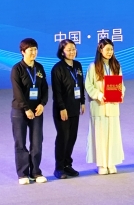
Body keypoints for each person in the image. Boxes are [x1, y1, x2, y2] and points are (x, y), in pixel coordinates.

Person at [10, 38, 49, 184]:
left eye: (35, 49)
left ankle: (35, 172)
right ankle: (22, 174)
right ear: (23, 52)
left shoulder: (39, 68)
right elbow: (17, 92)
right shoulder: (17, 69)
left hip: (37, 111)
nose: (34, 52)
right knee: (20, 142)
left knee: (37, 142)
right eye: (30, 50)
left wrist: (42, 104)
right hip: (20, 111)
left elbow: (44, 88)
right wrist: (26, 108)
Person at [85, 38, 125, 174]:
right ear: (100, 50)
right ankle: (102, 164)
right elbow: (88, 85)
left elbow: (121, 84)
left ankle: (111, 162)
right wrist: (98, 95)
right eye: (107, 49)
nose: (109, 52)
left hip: (113, 105)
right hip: (99, 105)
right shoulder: (93, 66)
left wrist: (121, 94)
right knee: (100, 135)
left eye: (111, 49)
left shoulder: (116, 65)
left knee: (113, 134)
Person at [51, 39, 86, 179]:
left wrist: (82, 102)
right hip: (62, 109)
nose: (72, 52)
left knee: (72, 137)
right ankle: (59, 168)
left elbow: (81, 85)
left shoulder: (77, 65)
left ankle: (67, 165)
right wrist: (62, 107)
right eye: (69, 49)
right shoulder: (57, 68)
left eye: (73, 49)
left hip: (75, 107)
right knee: (63, 138)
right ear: (62, 52)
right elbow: (57, 91)